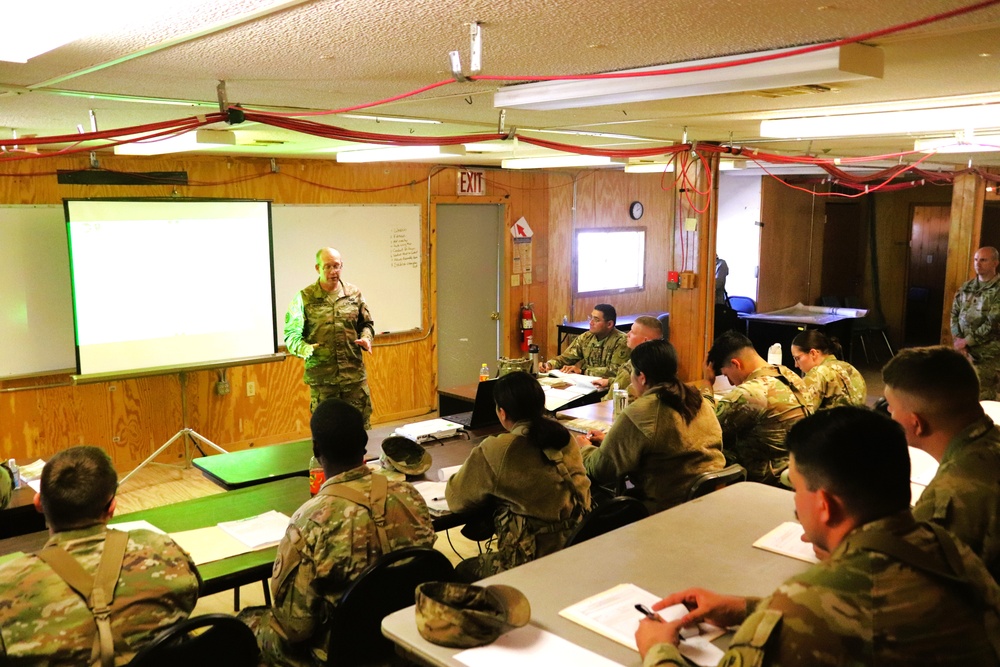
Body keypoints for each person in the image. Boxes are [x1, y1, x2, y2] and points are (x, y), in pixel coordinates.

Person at [636, 406, 1000, 667]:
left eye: (796, 488)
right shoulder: (949, 549)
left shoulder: (803, 605)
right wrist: (748, 609)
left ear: (825, 504)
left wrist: (658, 651)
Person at [239, 399, 435, 666]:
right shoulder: (409, 496)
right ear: (364, 445)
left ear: (316, 449)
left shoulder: (310, 521)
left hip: (341, 653)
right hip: (403, 637)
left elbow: (295, 627)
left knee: (241, 628)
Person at [0, 446, 200, 665]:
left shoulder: (8, 583)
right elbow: (192, 595)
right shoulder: (162, 550)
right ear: (112, 507)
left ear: (38, 504)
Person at [446, 371, 591, 580]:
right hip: (574, 546)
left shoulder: (498, 448)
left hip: (531, 558)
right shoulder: (563, 436)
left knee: (463, 569)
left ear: (502, 412)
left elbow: (456, 500)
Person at [882, 345, 1000, 581]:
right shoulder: (991, 438)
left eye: (891, 407)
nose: (888, 411)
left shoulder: (949, 496)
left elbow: (915, 586)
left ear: (916, 424)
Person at [581, 340, 724, 514]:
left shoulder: (642, 411)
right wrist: (611, 441)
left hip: (666, 510)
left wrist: (584, 449)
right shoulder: (697, 399)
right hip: (710, 499)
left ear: (642, 377)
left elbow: (600, 470)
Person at [703, 331, 810, 486]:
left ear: (736, 364)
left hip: (767, 480)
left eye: (726, 375)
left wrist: (707, 384)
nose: (731, 383)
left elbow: (706, 427)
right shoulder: (791, 376)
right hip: (798, 467)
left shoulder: (749, 393)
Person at [285, 247, 376, 428]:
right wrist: (305, 348)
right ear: (317, 268)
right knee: (327, 433)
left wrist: (366, 338)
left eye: (337, 266)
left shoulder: (354, 294)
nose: (333, 271)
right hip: (323, 383)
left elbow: (366, 324)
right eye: (328, 267)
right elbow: (291, 336)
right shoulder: (304, 298)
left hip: (353, 379)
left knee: (360, 431)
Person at [951, 246, 1000, 400]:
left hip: (987, 354)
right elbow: (954, 314)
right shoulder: (967, 287)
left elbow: (992, 323)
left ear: (995, 263)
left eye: (983, 260)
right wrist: (958, 341)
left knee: (982, 396)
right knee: (960, 392)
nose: (978, 264)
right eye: (976, 260)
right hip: (963, 351)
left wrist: (966, 341)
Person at [539, 303, 629, 378]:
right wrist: (549, 364)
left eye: (596, 320)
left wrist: (583, 371)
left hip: (608, 387)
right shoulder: (586, 337)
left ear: (609, 324)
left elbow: (616, 370)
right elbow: (566, 358)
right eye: (591, 318)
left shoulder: (622, 341)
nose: (591, 323)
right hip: (587, 383)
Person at [790, 329, 866, 411]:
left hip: (834, 422)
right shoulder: (850, 368)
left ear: (813, 353)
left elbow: (801, 412)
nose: (796, 365)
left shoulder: (818, 373)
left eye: (797, 358)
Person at [592, 315, 664, 401]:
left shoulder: (635, 365)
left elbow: (611, 399)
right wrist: (609, 381)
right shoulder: (661, 359)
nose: (628, 334)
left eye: (633, 332)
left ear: (645, 341)